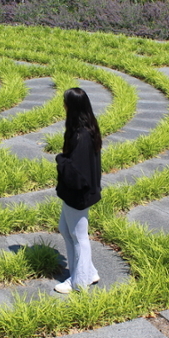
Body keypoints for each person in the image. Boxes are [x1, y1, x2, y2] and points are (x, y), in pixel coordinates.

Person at [54, 87, 103, 294]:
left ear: (72, 107)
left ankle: (79, 281)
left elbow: (77, 172)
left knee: (79, 236)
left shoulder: (81, 136)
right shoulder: (85, 128)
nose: (63, 105)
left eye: (65, 102)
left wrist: (60, 160)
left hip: (78, 195)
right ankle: (88, 272)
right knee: (66, 230)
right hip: (77, 194)